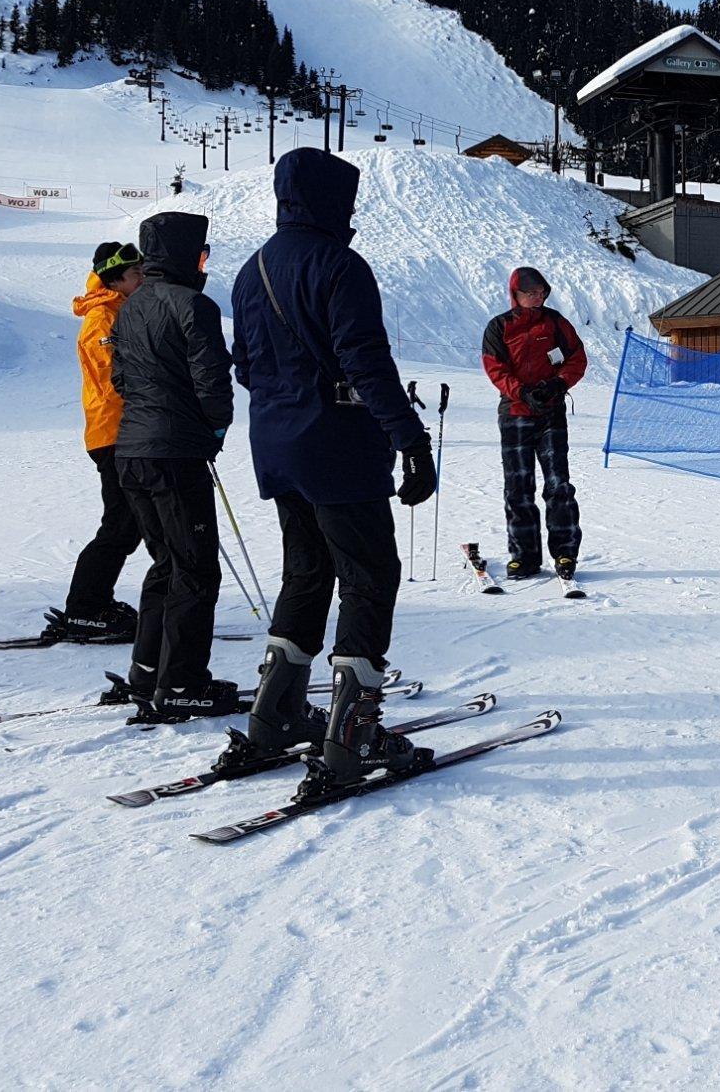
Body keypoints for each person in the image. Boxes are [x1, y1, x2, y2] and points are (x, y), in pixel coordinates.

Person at [230, 149, 437, 791]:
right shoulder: (339, 265)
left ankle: (274, 716)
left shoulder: (250, 269)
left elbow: (245, 367)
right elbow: (366, 363)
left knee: (308, 570)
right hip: (336, 447)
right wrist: (410, 439)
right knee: (371, 575)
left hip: (275, 443)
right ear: (329, 200)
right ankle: (354, 735)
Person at [109, 211, 238, 721]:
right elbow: (213, 382)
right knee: (195, 570)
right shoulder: (194, 305)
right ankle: (181, 682)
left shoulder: (130, 306)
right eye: (203, 252)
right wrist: (214, 428)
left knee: (166, 564)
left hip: (132, 451)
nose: (205, 262)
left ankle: (148, 672)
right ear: (188, 254)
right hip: (175, 453)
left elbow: (121, 381)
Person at [40, 241, 146, 645]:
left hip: (127, 431)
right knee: (120, 523)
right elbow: (113, 380)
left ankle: (93, 603)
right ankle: (85, 609)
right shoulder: (102, 319)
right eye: (135, 274)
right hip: (113, 433)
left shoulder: (120, 309)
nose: (142, 278)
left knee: (128, 523)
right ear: (116, 280)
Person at [481, 266, 587, 579]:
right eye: (531, 293)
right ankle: (524, 556)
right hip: (515, 415)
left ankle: (565, 554)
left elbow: (577, 358)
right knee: (518, 488)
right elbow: (495, 369)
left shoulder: (555, 323)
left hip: (551, 414)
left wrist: (558, 384)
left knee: (559, 486)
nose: (538, 297)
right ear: (516, 294)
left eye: (541, 292)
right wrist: (523, 393)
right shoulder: (499, 327)